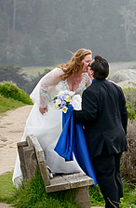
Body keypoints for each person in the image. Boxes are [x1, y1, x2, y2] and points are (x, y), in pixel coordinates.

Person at [12, 48, 94, 187]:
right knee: (45, 136)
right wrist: (43, 104)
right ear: (79, 61)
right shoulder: (61, 73)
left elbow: (93, 89)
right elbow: (43, 86)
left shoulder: (86, 77)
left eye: (90, 61)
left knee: (71, 136)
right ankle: (43, 170)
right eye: (87, 61)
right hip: (53, 109)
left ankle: (68, 168)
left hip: (72, 110)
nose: (89, 64)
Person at [72, 55, 128, 208]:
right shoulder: (116, 89)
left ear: (92, 73)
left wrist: (70, 113)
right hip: (118, 138)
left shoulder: (91, 92)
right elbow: (124, 114)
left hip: (102, 143)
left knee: (106, 178)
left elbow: (89, 116)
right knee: (115, 176)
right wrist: (122, 133)